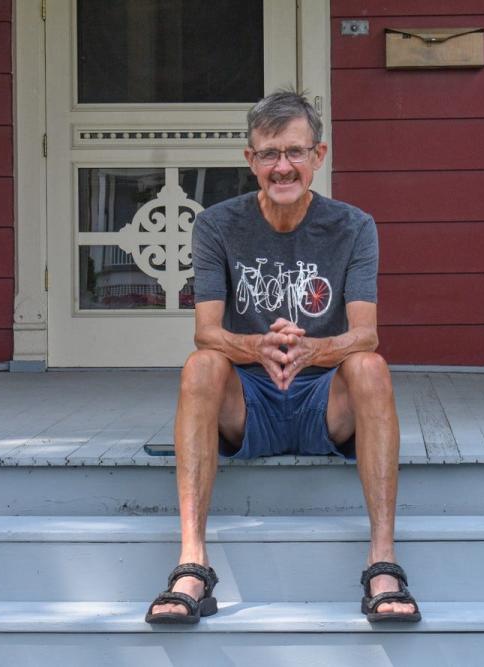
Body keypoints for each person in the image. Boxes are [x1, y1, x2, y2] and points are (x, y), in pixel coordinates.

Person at [145, 91, 420, 625]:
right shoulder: (217, 226)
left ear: (319, 155)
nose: (283, 167)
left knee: (371, 367)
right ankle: (191, 565)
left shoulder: (354, 226)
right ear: (251, 160)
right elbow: (206, 332)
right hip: (249, 401)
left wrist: (317, 349)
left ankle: (383, 561)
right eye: (269, 154)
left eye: (295, 152)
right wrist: (253, 345)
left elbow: (366, 335)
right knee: (201, 366)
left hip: (323, 400)